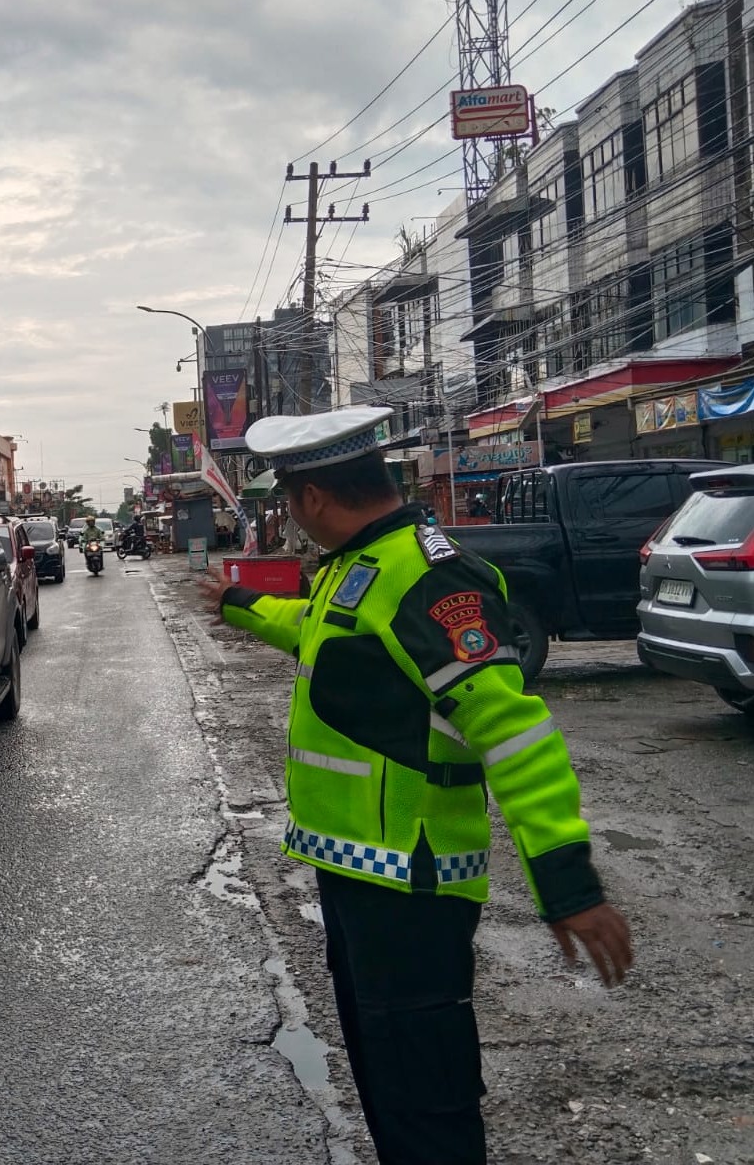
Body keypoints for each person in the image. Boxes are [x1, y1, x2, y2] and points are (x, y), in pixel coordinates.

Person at [198, 406, 632, 1164]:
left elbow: (514, 732)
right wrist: (245, 608)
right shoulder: (364, 564)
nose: (293, 522)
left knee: (426, 1099)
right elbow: (326, 632)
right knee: (386, 1082)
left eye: (290, 504)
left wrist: (568, 884)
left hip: (412, 879)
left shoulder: (430, 580)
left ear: (314, 500)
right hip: (360, 870)